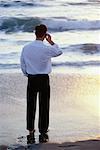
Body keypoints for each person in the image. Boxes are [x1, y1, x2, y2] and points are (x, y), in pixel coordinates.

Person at [20, 24, 62, 143]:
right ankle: (43, 130)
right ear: (45, 34)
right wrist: (51, 41)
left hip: (32, 78)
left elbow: (22, 64)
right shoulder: (46, 48)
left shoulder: (26, 47)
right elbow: (59, 52)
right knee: (44, 104)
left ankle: (30, 129)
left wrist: (27, 74)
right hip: (43, 78)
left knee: (31, 104)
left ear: (35, 33)